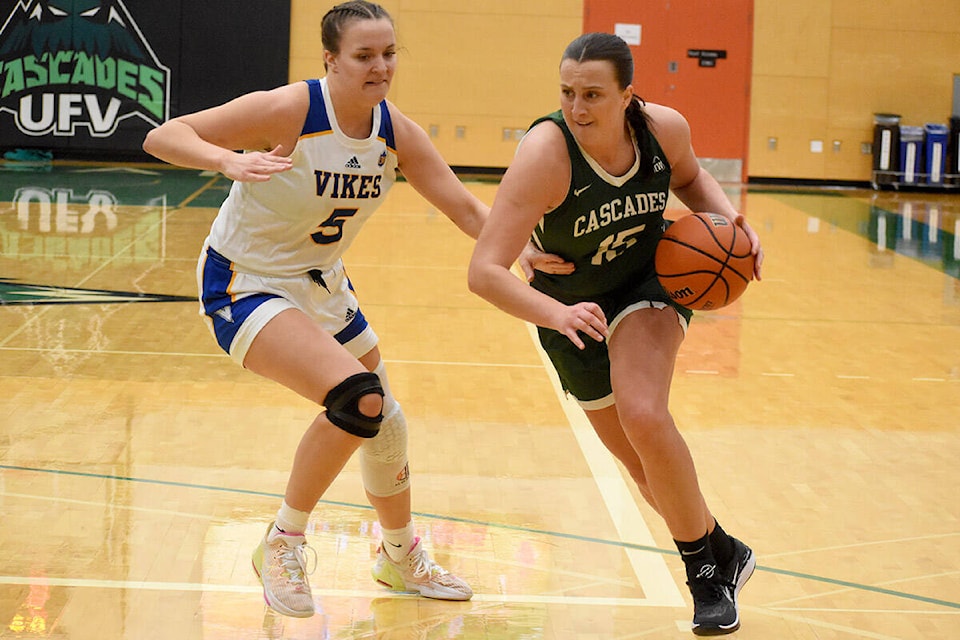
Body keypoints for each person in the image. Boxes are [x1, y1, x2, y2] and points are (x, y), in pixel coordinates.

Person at [141, 0, 508, 618]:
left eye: (389, 53)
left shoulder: (396, 131)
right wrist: (226, 159)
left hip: (323, 285)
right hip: (245, 279)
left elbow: (471, 212)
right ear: (330, 60)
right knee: (358, 398)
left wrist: (531, 254)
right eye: (363, 55)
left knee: (384, 419)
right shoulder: (293, 108)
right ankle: (281, 542)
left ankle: (398, 555)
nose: (380, 66)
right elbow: (164, 135)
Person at [468, 33, 764, 636]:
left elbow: (693, 180)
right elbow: (484, 272)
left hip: (649, 280)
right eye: (568, 93)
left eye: (594, 95)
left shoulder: (663, 130)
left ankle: (705, 578)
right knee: (638, 465)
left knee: (644, 413)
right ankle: (719, 548)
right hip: (569, 307)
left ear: (628, 94)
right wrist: (555, 315)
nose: (578, 108)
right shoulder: (545, 156)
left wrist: (731, 224)